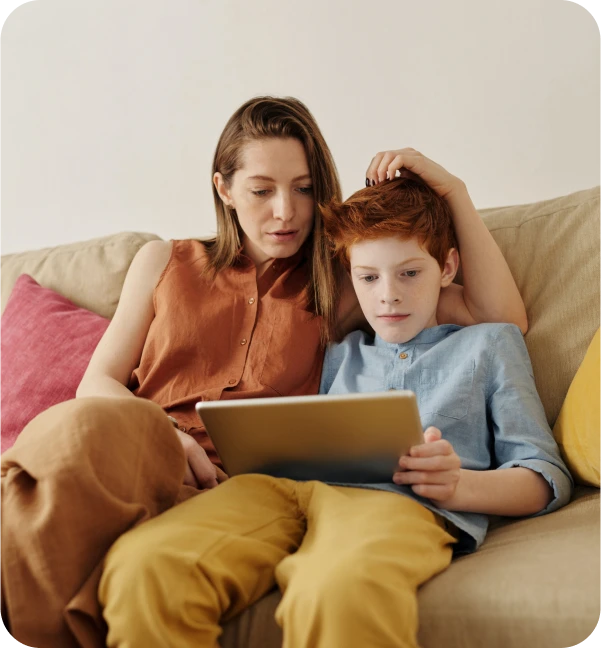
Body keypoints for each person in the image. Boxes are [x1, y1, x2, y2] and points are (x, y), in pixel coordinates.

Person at [0, 96, 527, 648]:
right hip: (140, 447)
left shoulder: (347, 281)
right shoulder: (162, 261)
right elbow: (97, 383)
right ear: (224, 190)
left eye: (304, 189)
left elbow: (499, 318)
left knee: (116, 533)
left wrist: (453, 192)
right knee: (77, 428)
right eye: (261, 190)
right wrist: (171, 437)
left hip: (236, 489)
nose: (286, 211)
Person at [98, 175, 573, 648]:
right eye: (369, 278)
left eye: (409, 273)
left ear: (447, 268)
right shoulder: (341, 350)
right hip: (283, 491)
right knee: (145, 564)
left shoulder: (489, 343)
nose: (388, 295)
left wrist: (461, 485)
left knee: (335, 588)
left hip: (398, 504)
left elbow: (543, 473)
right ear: (351, 278)